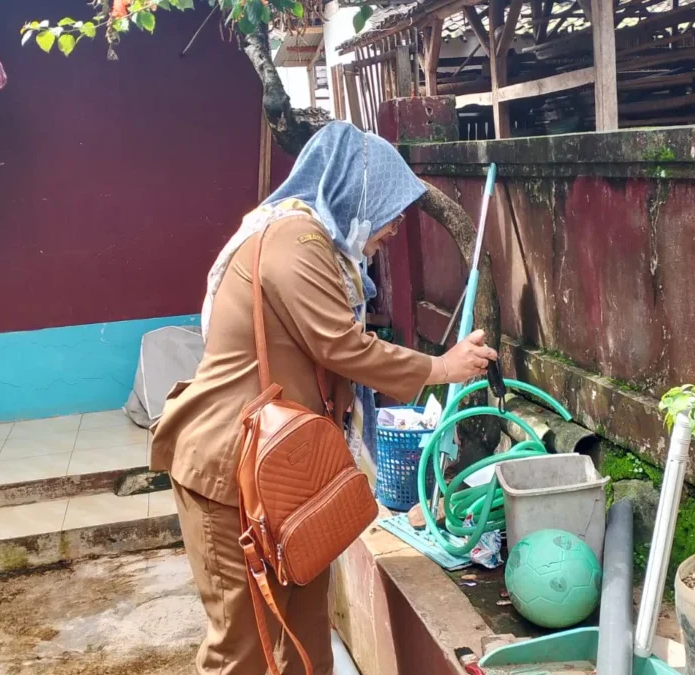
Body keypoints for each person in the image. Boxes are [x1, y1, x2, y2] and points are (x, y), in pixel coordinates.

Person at [150, 121, 497, 675]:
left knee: (304, 639)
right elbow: (339, 344)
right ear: (357, 195)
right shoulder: (295, 237)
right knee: (244, 648)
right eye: (389, 206)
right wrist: (441, 366)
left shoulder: (325, 252)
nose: (395, 224)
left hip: (283, 476)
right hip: (230, 472)